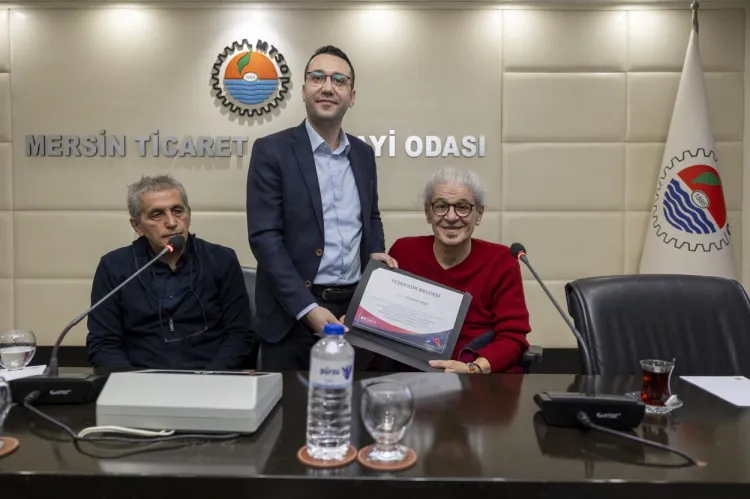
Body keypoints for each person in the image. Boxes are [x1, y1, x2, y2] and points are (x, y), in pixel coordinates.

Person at [246, 45, 396, 371]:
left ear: (351, 96)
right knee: (290, 405)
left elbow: (371, 216)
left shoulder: (363, 154)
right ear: (304, 90)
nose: (328, 87)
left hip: (353, 314)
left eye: (339, 80)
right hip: (291, 315)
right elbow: (264, 237)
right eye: (318, 78)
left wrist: (374, 254)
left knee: (354, 400)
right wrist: (307, 309)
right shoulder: (271, 151)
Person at [86, 174, 256, 371]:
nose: (172, 222)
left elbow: (239, 334)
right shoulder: (114, 266)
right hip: (140, 380)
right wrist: (132, 382)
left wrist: (210, 378)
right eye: (157, 215)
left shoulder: (221, 259)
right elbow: (103, 343)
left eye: (177, 211)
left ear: (189, 215)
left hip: (211, 377)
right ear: (137, 226)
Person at [387, 168, 531, 373]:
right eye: (441, 206)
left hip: (478, 378)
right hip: (411, 374)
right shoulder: (404, 251)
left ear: (479, 214)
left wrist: (473, 369)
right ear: (428, 212)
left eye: (463, 207)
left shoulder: (501, 261)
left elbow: (513, 337)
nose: (451, 217)